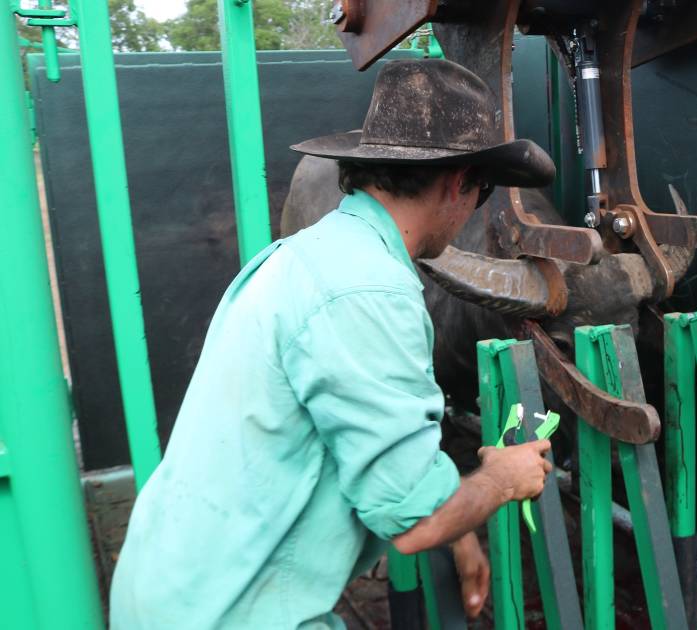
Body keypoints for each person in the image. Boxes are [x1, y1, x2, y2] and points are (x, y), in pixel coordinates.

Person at [110, 59, 557, 628]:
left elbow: (368, 448)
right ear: (458, 183)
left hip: (172, 588)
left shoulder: (305, 254)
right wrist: (501, 477)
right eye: (485, 189)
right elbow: (419, 522)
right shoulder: (370, 290)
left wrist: (455, 525)